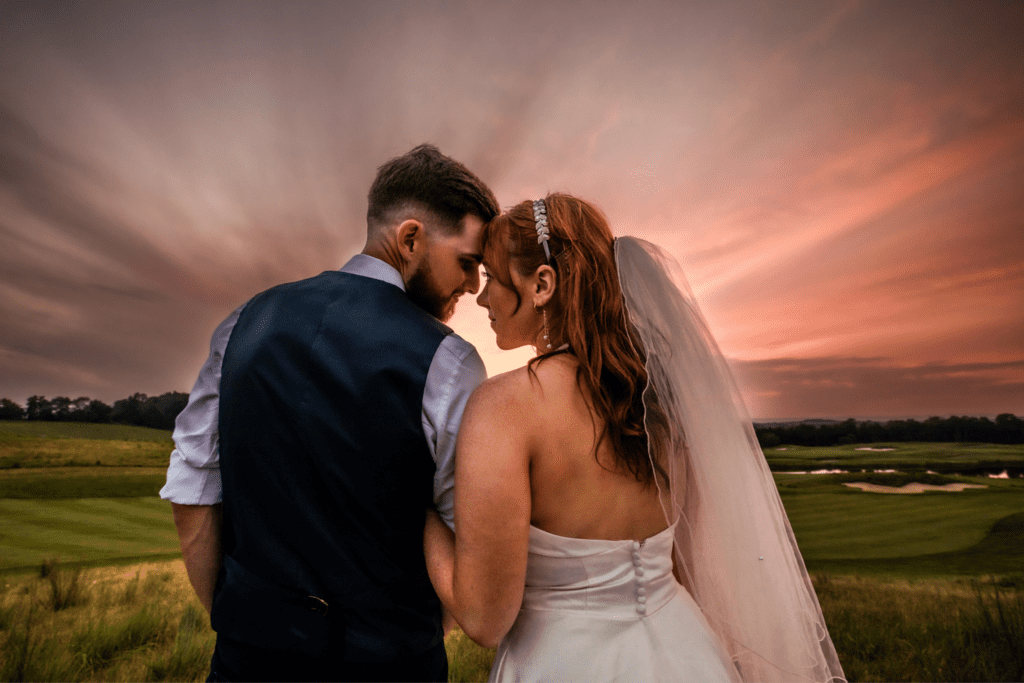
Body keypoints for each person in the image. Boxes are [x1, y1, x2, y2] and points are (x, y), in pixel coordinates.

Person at [423, 194, 846, 682]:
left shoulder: (504, 408)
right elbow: (688, 562)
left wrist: (415, 510)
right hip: (686, 650)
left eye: (494, 278)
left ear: (542, 284)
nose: (482, 298)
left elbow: (483, 619)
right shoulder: (663, 401)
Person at [160, 144, 499, 682]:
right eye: (467, 262)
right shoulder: (449, 362)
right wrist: (410, 637)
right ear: (411, 239)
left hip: (245, 663)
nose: (474, 285)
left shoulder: (243, 323)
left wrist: (239, 621)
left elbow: (193, 491)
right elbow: (466, 540)